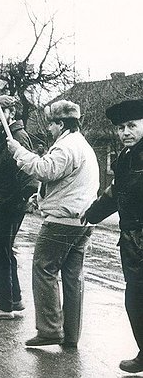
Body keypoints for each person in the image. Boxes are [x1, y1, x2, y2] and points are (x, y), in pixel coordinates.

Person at [6, 99, 99, 347]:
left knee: (44, 269)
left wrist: (18, 151)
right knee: (72, 277)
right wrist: (42, 197)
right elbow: (66, 181)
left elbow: (44, 170)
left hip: (61, 222)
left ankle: (49, 329)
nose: (49, 129)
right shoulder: (83, 146)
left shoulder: (65, 147)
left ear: (61, 123)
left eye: (51, 124)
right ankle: (71, 335)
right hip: (83, 221)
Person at [83, 99, 143, 373]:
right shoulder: (125, 158)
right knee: (135, 299)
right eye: (120, 128)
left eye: (132, 125)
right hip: (131, 241)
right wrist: (92, 214)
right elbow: (116, 192)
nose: (125, 132)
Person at [0, 95, 37, 319]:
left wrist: (13, 199)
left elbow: (27, 174)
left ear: (11, 112)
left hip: (8, 204)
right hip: (4, 201)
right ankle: (14, 299)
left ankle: (4, 306)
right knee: (5, 251)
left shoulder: (17, 137)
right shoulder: (5, 136)